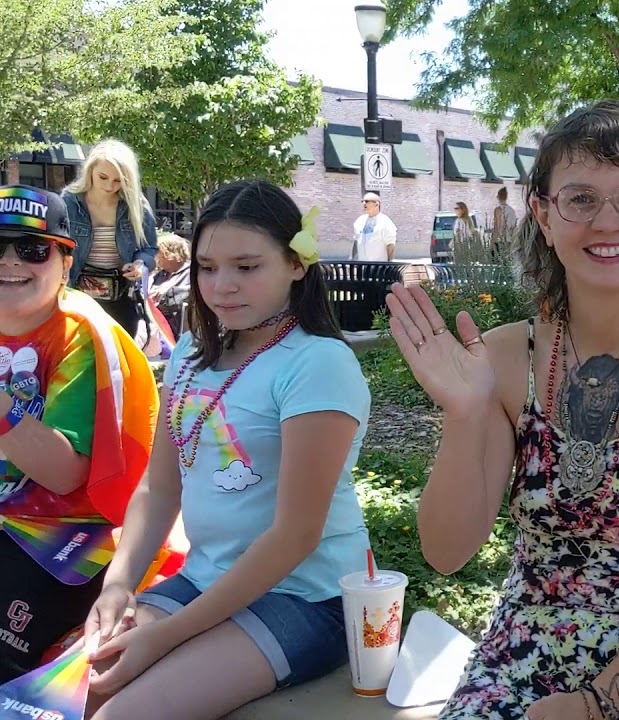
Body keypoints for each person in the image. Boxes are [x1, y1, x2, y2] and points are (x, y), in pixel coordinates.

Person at [386, 99, 619, 719]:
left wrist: (594, 705)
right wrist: (464, 415)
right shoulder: (507, 357)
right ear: (543, 214)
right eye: (581, 198)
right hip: (518, 657)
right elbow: (446, 551)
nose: (607, 221)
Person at [83, 180, 373, 720]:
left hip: (309, 598)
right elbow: (159, 485)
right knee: (87, 687)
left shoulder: (318, 364)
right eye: (208, 266)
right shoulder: (195, 345)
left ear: (296, 263)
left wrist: (166, 635)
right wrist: (118, 587)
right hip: (206, 578)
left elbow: (296, 535)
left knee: (122, 716)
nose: (222, 286)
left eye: (247, 266)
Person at [0, 184, 158, 682]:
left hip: (66, 531)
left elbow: (64, 473)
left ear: (67, 263)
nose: (10, 262)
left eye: (31, 249)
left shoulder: (82, 336)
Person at [62, 139, 159, 333]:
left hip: (122, 296)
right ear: (90, 171)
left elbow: (149, 249)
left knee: (120, 357)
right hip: (76, 294)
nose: (109, 186)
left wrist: (140, 265)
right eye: (103, 177)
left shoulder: (135, 204)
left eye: (118, 180)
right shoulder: (68, 202)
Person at [148, 234, 191, 332]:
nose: (157, 257)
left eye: (159, 253)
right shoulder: (159, 274)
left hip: (178, 329)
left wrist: (166, 293)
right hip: (156, 326)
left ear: (170, 254)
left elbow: (192, 293)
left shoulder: (192, 273)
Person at [351, 192, 397, 261]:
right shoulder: (359, 221)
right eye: (362, 201)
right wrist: (352, 260)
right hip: (362, 266)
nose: (364, 203)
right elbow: (356, 242)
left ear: (376, 204)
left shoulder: (385, 222)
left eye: (367, 201)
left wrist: (389, 264)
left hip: (379, 267)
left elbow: (390, 245)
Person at [491, 186, 519, 259]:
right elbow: (514, 227)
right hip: (509, 240)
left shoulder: (498, 209)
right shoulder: (512, 211)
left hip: (499, 240)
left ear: (498, 197)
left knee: (497, 262)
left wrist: (492, 241)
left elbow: (497, 226)